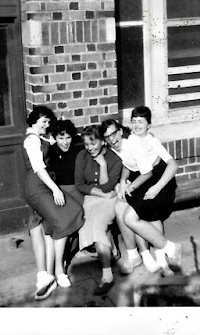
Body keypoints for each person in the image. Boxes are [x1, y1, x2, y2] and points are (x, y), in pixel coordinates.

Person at [107, 106, 182, 276]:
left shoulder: (151, 141)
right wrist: (123, 181)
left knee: (147, 214)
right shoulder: (131, 139)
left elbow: (172, 165)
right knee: (130, 209)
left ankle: (163, 258)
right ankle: (145, 255)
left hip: (159, 181)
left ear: (149, 124)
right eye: (133, 121)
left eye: (141, 121)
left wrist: (157, 188)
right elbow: (127, 163)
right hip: (141, 179)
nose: (136, 125)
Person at [22, 106, 85, 300]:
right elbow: (39, 168)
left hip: (43, 186)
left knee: (56, 222)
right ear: (34, 122)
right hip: (38, 186)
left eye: (49, 122)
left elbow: (55, 140)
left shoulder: (42, 138)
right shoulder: (32, 140)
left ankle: (53, 273)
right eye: (43, 122)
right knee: (68, 215)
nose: (47, 125)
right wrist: (56, 189)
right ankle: (54, 272)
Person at [101, 118, 161, 275]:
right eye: (107, 137)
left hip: (150, 179)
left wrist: (128, 185)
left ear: (120, 131)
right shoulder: (114, 149)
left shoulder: (132, 143)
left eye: (114, 134)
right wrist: (121, 182)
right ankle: (133, 255)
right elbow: (126, 165)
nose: (112, 139)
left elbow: (149, 168)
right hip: (133, 180)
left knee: (130, 208)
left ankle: (145, 254)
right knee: (120, 207)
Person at [75, 125, 123, 295]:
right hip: (93, 198)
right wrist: (102, 194)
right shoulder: (82, 156)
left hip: (109, 200)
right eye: (87, 144)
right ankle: (112, 251)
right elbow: (80, 184)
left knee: (97, 225)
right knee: (87, 223)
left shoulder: (114, 160)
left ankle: (107, 275)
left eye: (93, 143)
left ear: (103, 141)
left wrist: (102, 164)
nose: (90, 148)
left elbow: (107, 186)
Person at [48, 119, 84, 272]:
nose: (65, 142)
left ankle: (64, 257)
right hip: (58, 192)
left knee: (73, 219)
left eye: (68, 137)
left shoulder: (78, 151)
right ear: (55, 138)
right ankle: (60, 258)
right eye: (61, 138)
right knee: (59, 223)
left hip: (76, 191)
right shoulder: (51, 152)